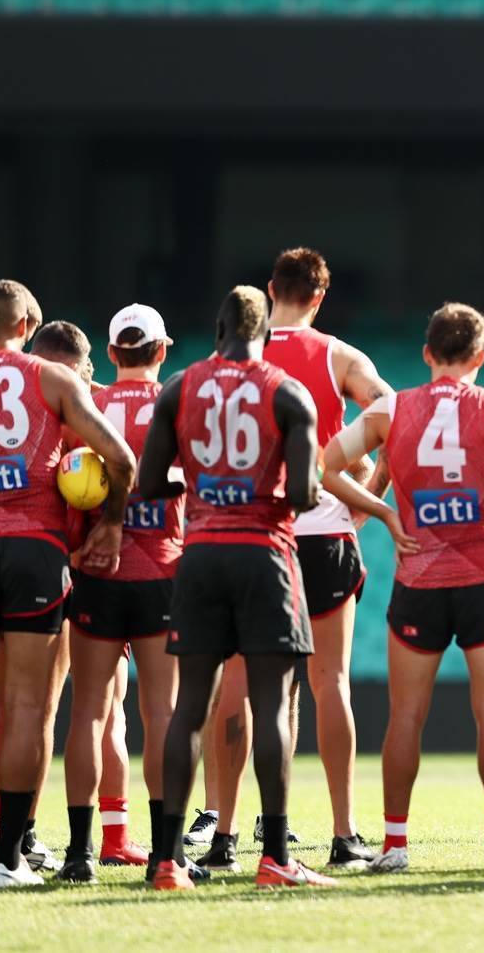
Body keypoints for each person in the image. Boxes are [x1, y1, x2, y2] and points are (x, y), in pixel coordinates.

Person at [320, 303, 484, 873]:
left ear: (427, 354)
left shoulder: (390, 410)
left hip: (418, 578)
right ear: (480, 356)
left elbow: (328, 467)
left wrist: (385, 513)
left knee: (405, 716)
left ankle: (394, 846)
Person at [0, 280, 135, 888]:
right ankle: (6, 860)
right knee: (27, 706)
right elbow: (121, 459)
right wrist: (112, 526)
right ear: (25, 328)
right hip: (35, 552)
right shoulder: (52, 378)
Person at [141, 285, 329, 891]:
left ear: (218, 331)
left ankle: (168, 860)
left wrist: (199, 488)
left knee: (190, 706)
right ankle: (274, 857)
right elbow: (302, 494)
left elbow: (149, 483)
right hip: (264, 555)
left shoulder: (179, 388)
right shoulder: (288, 392)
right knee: (271, 705)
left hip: (200, 555)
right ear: (264, 335)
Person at [258, 247, 393, 871]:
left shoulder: (240, 354)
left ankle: (235, 833)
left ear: (271, 290)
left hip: (258, 535)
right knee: (330, 683)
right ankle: (344, 834)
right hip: (325, 530)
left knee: (251, 690)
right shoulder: (340, 356)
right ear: (319, 297)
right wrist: (368, 499)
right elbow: (391, 415)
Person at [58, 306, 184, 883]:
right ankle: (165, 854)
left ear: (110, 354)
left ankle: (79, 854)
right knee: (162, 714)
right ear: (162, 350)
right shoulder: (177, 405)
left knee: (87, 712)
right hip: (161, 572)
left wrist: (77, 548)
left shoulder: (87, 405)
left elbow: (66, 489)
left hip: (97, 576)